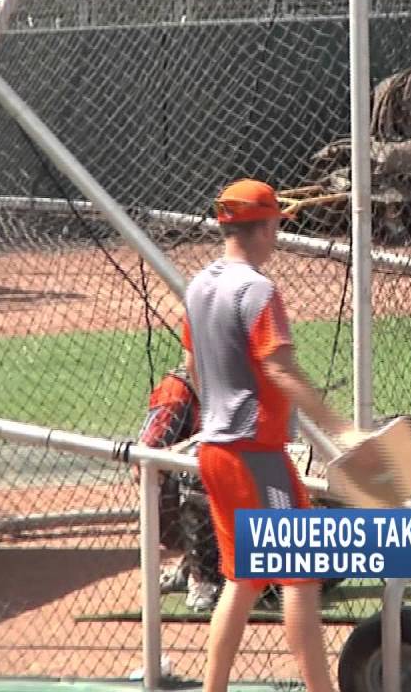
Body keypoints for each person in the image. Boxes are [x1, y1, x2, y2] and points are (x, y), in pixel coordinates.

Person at [181, 178, 352, 692]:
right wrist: (338, 426)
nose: (278, 234)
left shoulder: (199, 285)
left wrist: (225, 401)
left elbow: (192, 365)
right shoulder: (257, 290)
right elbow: (279, 367)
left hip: (215, 452)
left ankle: (214, 689)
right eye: (277, 224)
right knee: (300, 576)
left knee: (245, 578)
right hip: (255, 456)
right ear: (266, 226)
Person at [136, 365, 223, 612]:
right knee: (203, 461)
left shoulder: (250, 382)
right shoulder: (177, 390)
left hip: (236, 496)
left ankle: (195, 564)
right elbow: (144, 459)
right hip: (169, 503)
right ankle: (202, 578)